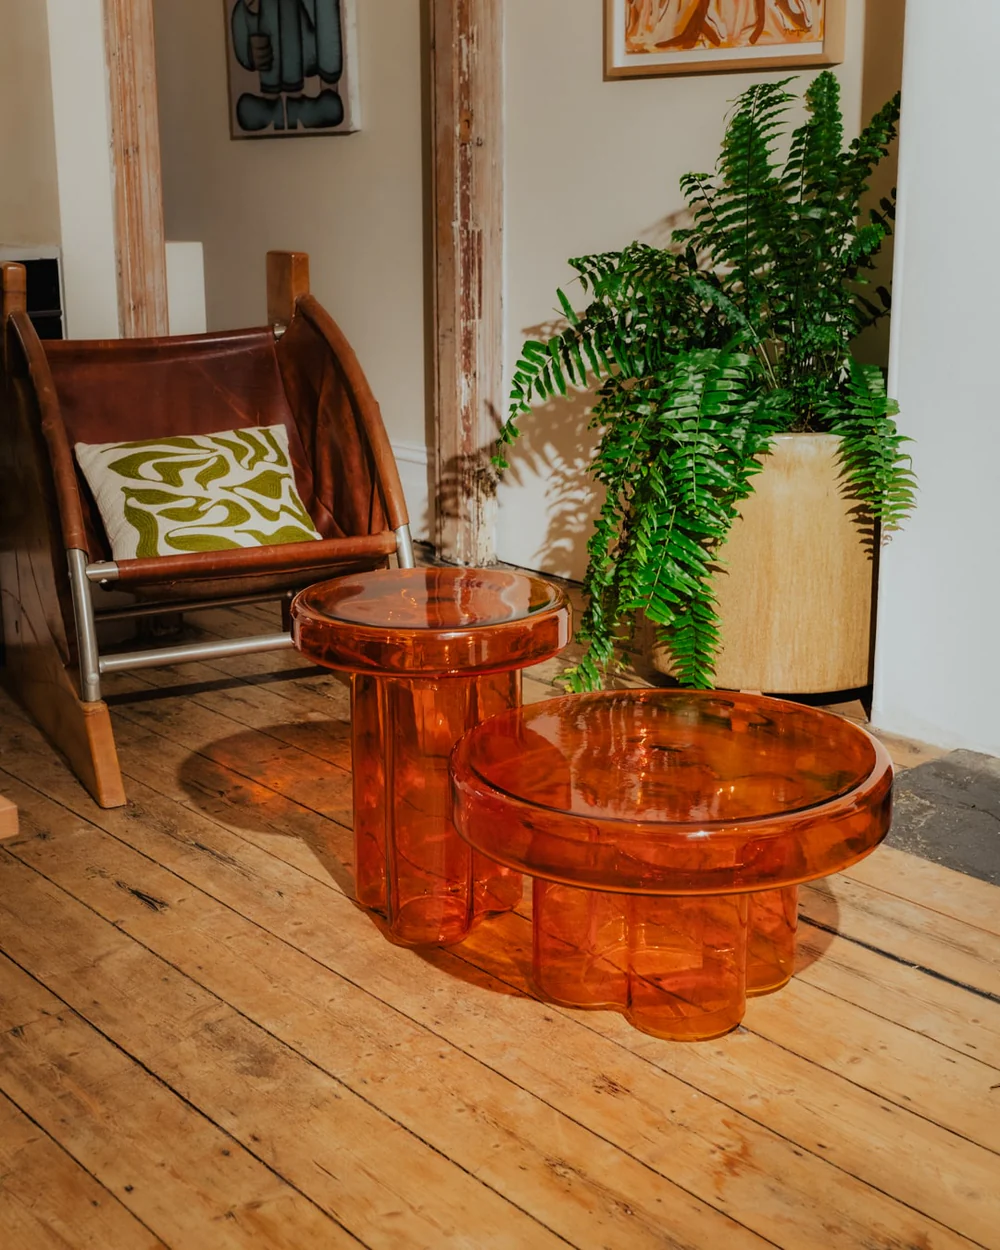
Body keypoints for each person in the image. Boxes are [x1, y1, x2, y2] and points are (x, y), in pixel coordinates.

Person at [230, 0, 345, 131]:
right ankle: (271, 105)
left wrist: (329, 79)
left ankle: (320, 101)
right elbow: (242, 17)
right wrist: (249, 54)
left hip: (308, 52)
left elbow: (329, 29)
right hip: (272, 70)